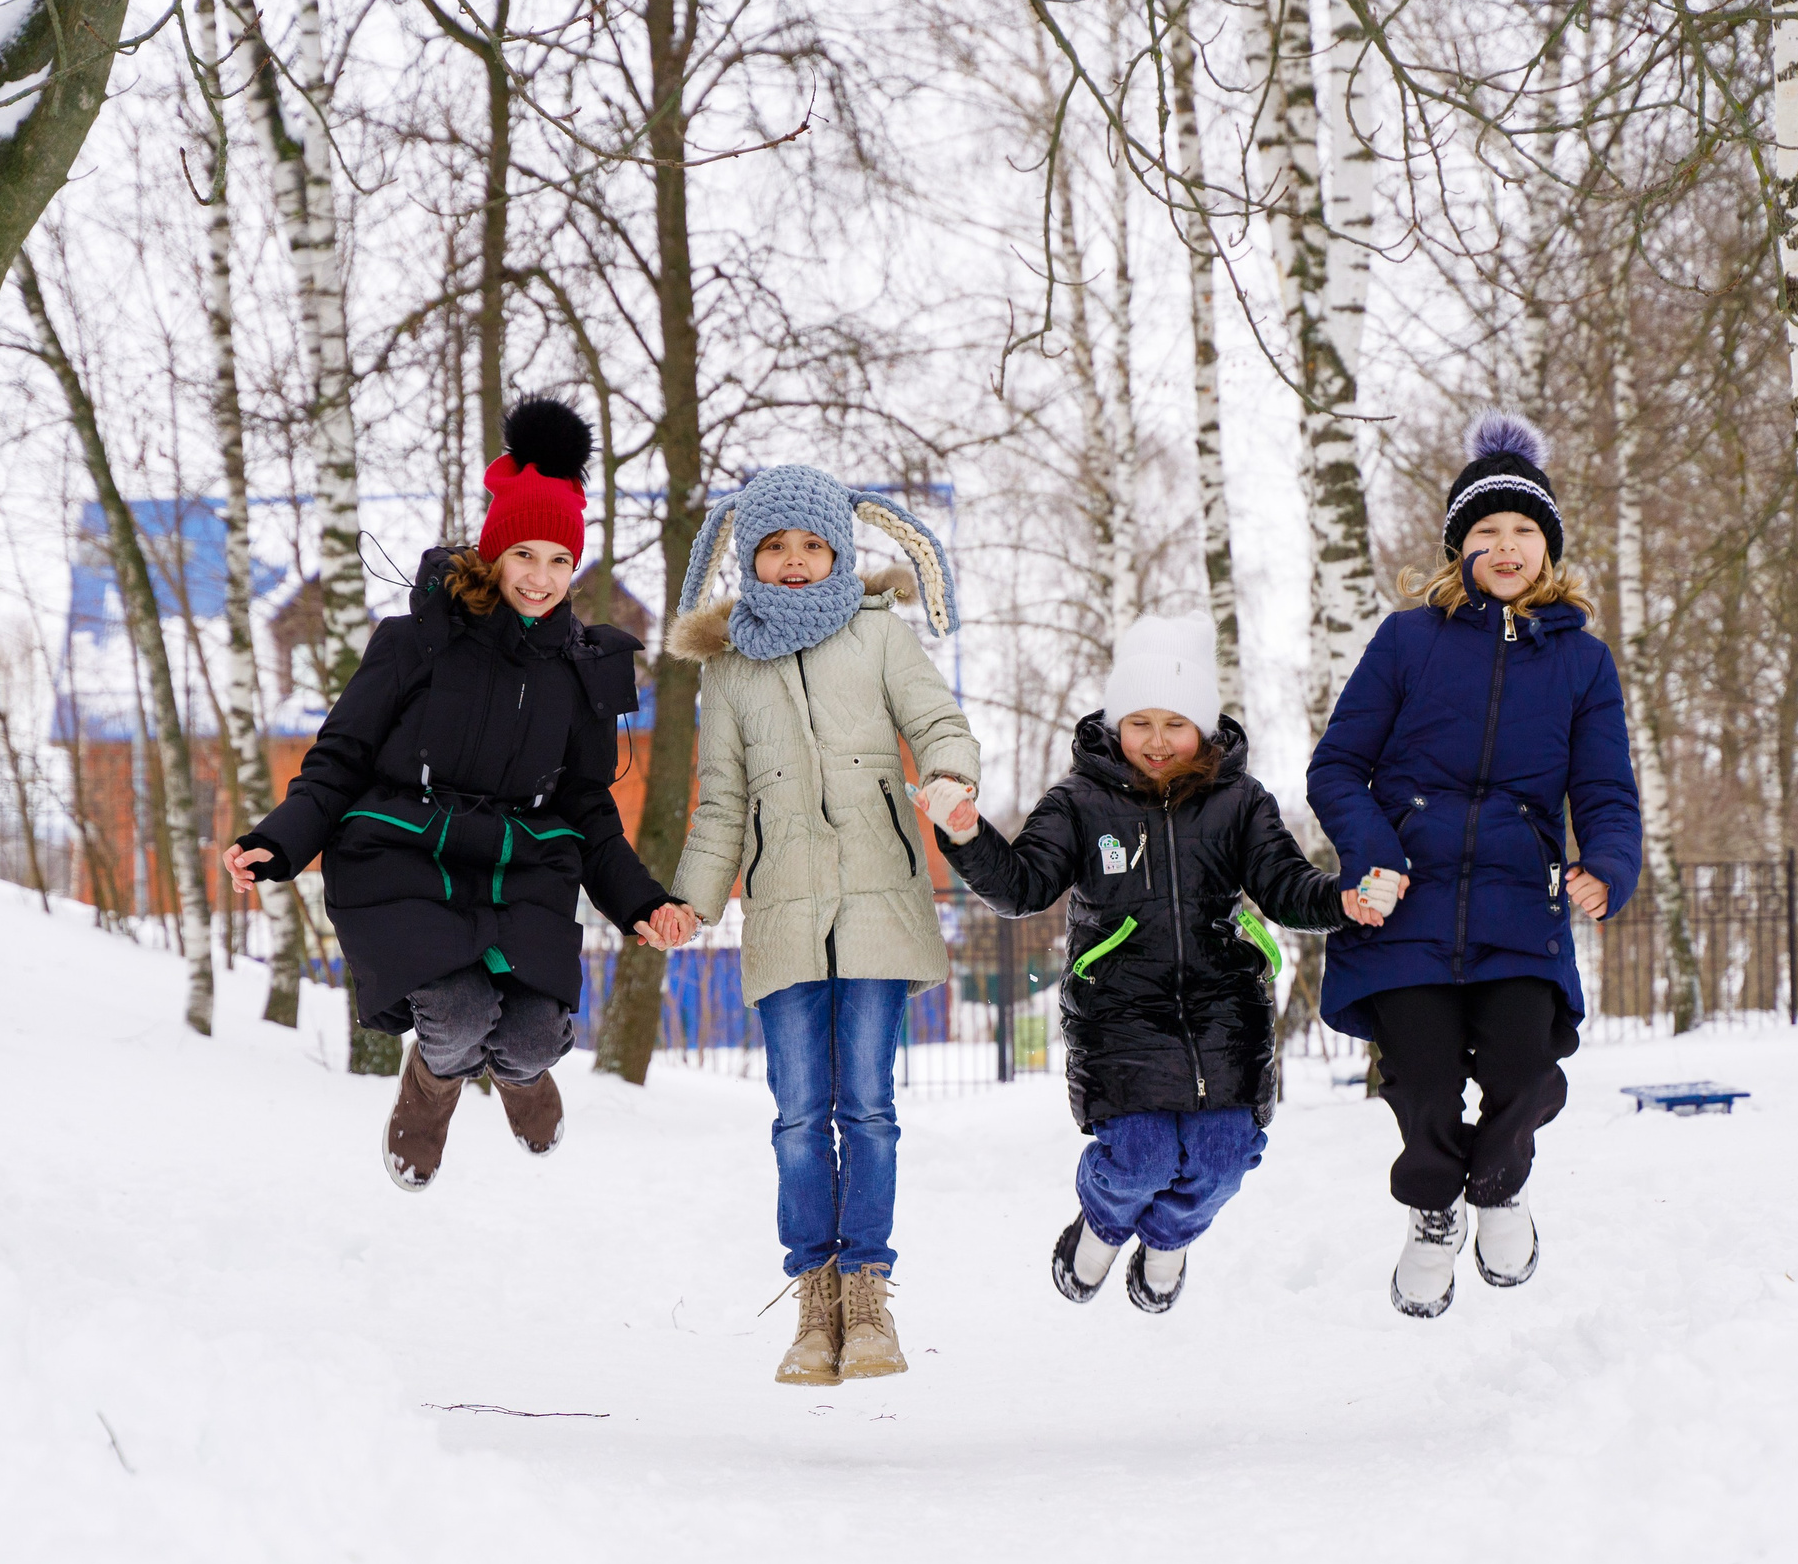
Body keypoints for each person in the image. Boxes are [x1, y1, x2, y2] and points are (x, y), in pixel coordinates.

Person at [222, 400, 690, 1191]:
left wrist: (641, 901)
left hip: (519, 868)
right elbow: (340, 757)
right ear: (495, 551)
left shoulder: (582, 670)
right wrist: (280, 840)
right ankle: (431, 1089)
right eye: (525, 555)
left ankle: (519, 1076)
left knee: (540, 1033)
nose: (540, 578)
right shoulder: (414, 643)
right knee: (459, 1013)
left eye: (558, 561)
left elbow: (588, 807)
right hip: (405, 853)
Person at [933, 616, 1382, 1313]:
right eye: (1139, 721)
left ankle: (1169, 1240)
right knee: (1140, 1155)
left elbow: (1287, 887)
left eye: (1175, 723)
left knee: (1224, 1155)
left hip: (1224, 1009)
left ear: (1203, 726)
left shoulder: (1241, 802)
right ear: (1116, 724)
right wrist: (966, 833)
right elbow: (1023, 886)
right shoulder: (1080, 801)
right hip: (1120, 1010)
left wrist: (1343, 898)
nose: (1156, 740)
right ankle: (1103, 1226)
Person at [1306, 411, 1643, 1318]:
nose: (1505, 547)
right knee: (1416, 1081)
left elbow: (1607, 789)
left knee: (1527, 1075)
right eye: (1486, 532)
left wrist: (1606, 862)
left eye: (1523, 531)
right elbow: (1337, 766)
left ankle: (1498, 1188)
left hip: (1516, 908)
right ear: (1460, 547)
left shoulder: (1584, 662)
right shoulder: (1407, 640)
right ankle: (1431, 1213)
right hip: (1404, 909)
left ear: (1548, 548)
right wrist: (1375, 852)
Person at [659, 467, 977, 1386]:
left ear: (838, 551)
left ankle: (869, 1290)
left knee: (866, 1107)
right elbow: (721, 802)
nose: (794, 561)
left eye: (811, 545)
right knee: (800, 1114)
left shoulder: (880, 636)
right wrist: (691, 898)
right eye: (774, 547)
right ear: (749, 559)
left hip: (877, 897)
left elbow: (941, 724)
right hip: (785, 914)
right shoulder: (729, 667)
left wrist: (952, 779)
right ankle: (815, 1296)